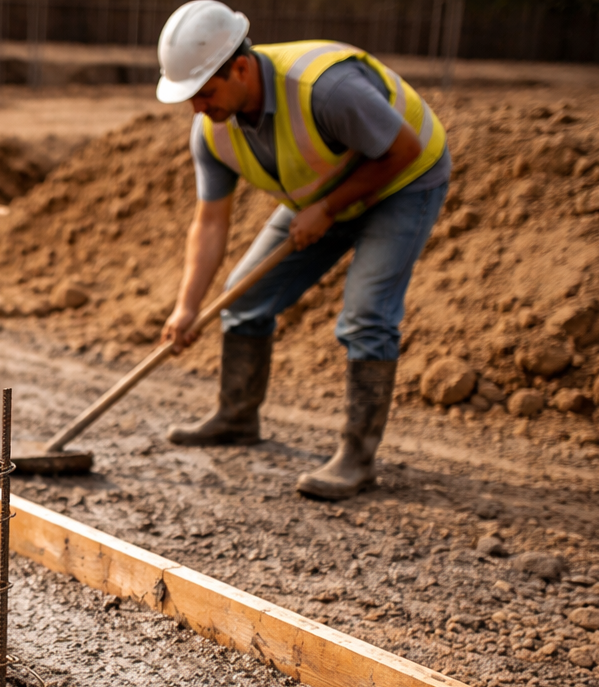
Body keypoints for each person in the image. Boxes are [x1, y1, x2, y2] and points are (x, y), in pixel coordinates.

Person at [155, 0, 450, 499]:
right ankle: (236, 417)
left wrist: (329, 208)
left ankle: (356, 459)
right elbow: (209, 222)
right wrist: (187, 306)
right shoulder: (213, 131)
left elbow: (403, 149)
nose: (198, 108)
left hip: (403, 181)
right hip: (325, 193)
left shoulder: (326, 89)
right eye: (190, 98)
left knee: (366, 315)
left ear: (240, 69)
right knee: (243, 296)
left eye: (204, 92)